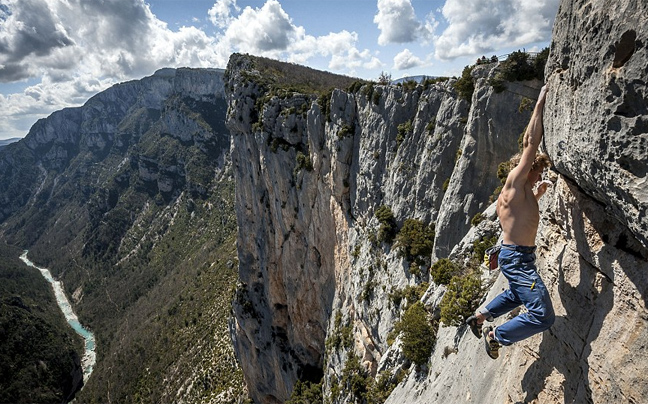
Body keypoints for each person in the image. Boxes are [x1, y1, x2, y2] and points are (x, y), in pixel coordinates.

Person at [466, 85, 555, 359]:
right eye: (538, 170)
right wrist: (540, 102)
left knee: (519, 293)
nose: (539, 175)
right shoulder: (516, 182)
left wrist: (538, 193)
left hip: (518, 255)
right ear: (528, 169)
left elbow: (523, 217)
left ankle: (480, 316)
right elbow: (530, 142)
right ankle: (496, 335)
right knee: (542, 315)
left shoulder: (525, 192)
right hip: (516, 257)